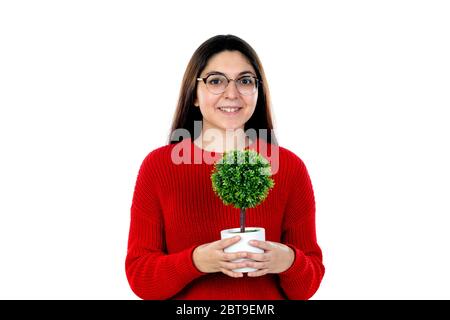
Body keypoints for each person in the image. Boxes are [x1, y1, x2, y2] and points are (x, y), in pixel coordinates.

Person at [125, 34, 325, 300]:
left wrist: (288, 261)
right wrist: (196, 261)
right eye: (216, 81)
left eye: (244, 81)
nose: (232, 94)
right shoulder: (159, 166)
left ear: (258, 92)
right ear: (194, 95)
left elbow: (307, 286)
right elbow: (141, 278)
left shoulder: (288, 167)